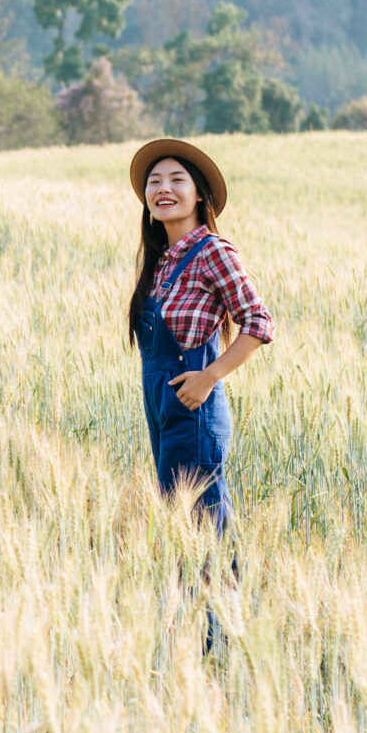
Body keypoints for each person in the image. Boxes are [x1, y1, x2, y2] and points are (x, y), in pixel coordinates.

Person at [126, 137, 275, 532]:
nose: (163, 189)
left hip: (194, 409)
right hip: (161, 407)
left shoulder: (212, 251)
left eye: (177, 180)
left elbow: (258, 321)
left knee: (204, 525)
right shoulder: (161, 263)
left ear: (198, 196)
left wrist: (210, 376)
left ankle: (224, 596)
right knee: (180, 524)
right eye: (154, 182)